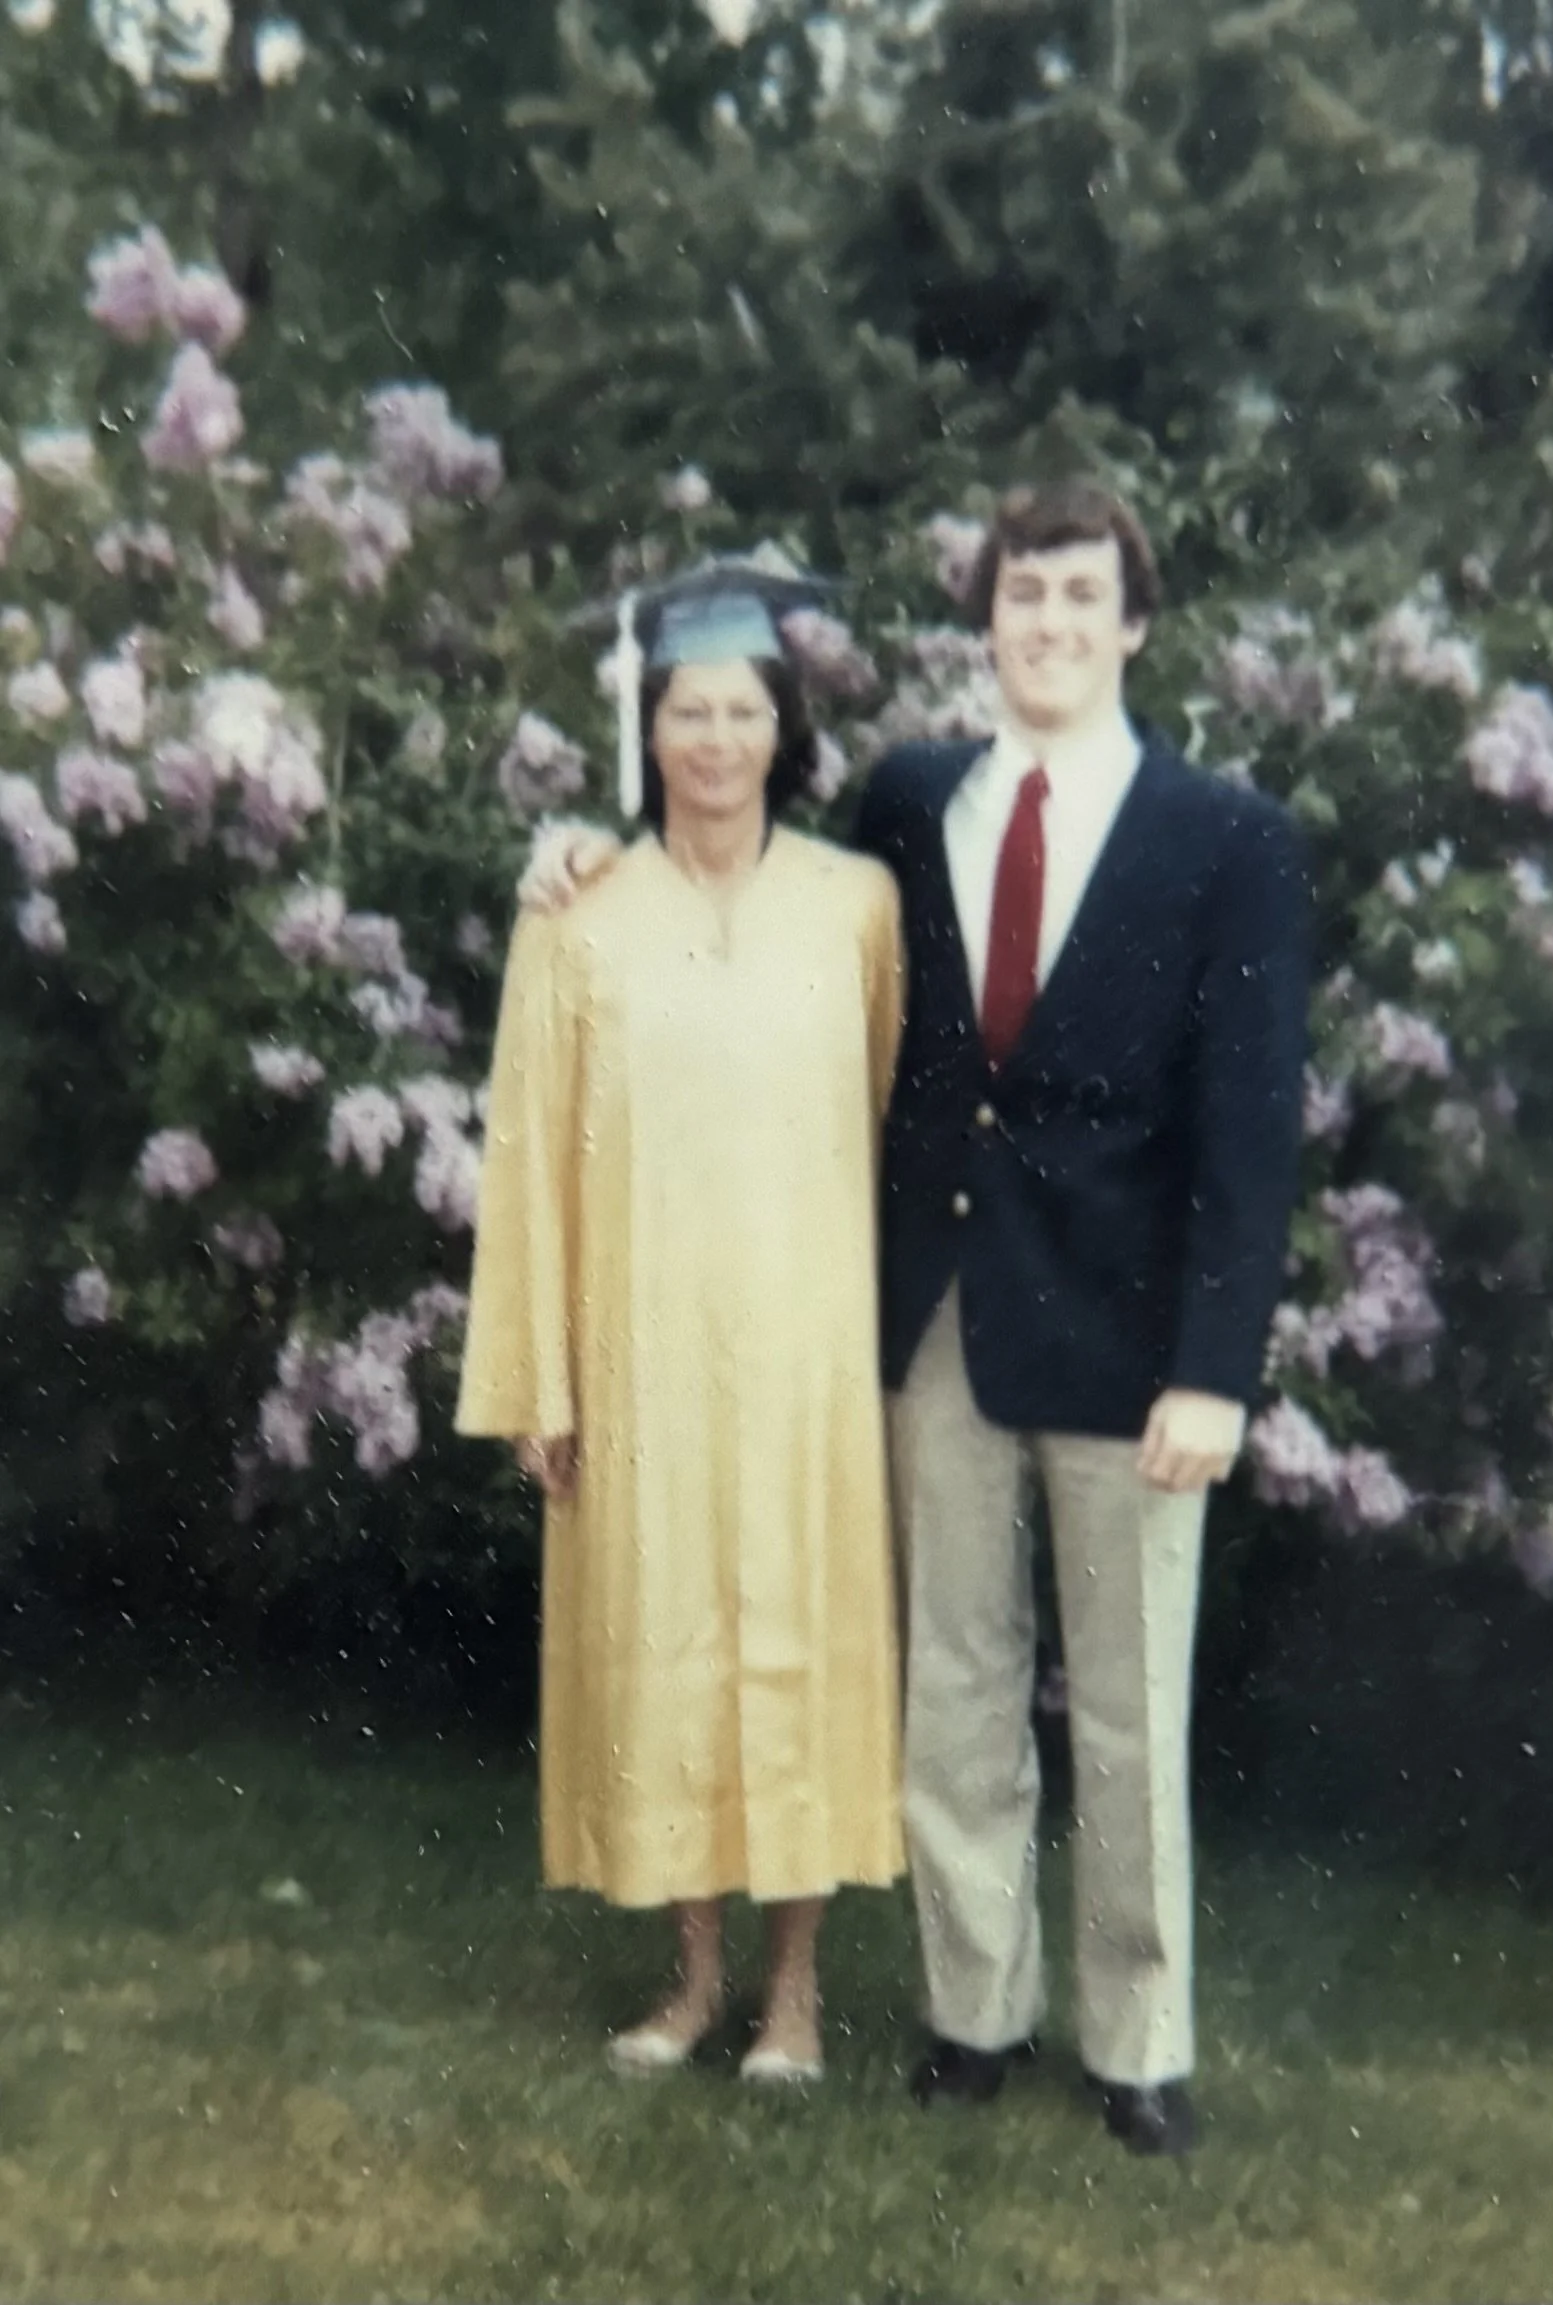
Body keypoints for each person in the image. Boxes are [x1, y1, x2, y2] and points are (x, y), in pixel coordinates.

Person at [856, 476, 1311, 2154]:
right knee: (956, 1684)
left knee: (1129, 1708)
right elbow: (767, 906)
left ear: (1135, 626)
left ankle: (1138, 2042)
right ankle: (974, 2010)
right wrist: (581, 860)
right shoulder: (911, 801)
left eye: (1078, 597)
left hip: (1133, 1347)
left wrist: (1216, 1370)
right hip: (942, 1316)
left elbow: (1251, 1132)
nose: (1046, 624)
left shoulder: (1227, 840)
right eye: (1021, 595)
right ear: (985, 621)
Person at [456, 565, 906, 2086]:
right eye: (688, 714)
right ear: (649, 733)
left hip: (804, 1352)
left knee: (799, 1655)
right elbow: (531, 1152)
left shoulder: (856, 905)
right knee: (670, 1657)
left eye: (743, 714)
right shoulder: (580, 915)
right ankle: (697, 1979)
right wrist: (538, 1377)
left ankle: (798, 1996)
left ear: (785, 732)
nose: (715, 742)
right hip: (639, 1348)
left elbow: (884, 1105)